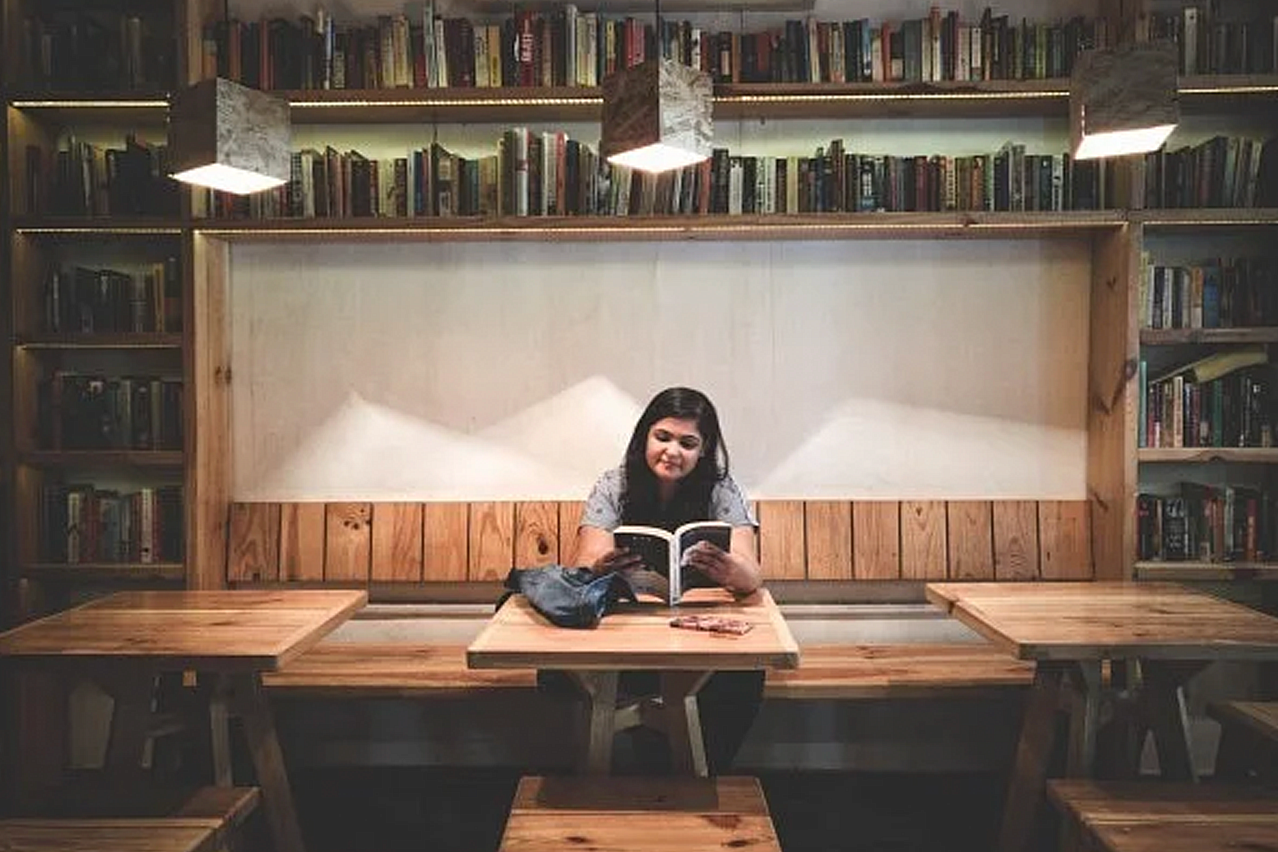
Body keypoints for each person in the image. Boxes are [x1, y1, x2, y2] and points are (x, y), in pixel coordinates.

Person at [569, 386, 765, 773]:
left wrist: (730, 569)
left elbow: (751, 574)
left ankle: (699, 777)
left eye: (688, 443)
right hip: (624, 629)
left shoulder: (722, 488)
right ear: (645, 436)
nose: (673, 451)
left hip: (696, 630)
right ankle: (630, 779)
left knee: (746, 672)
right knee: (564, 671)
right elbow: (583, 563)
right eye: (663, 437)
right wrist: (603, 565)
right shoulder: (614, 484)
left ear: (704, 450)